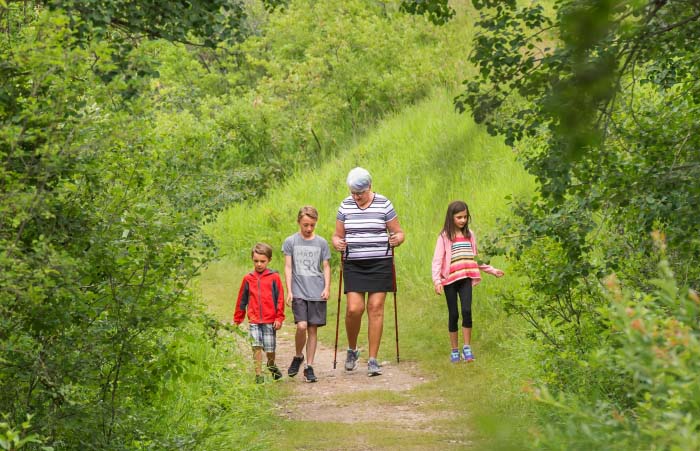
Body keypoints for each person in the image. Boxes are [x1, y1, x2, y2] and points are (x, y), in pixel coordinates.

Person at [331, 167, 405, 377]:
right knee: (354, 309)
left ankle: (373, 359)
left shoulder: (384, 204)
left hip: (380, 262)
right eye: (354, 193)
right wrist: (337, 243)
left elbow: (399, 232)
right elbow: (336, 235)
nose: (356, 197)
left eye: (360, 193)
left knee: (376, 307)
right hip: (354, 264)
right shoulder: (345, 206)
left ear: (369, 187)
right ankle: (352, 350)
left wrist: (396, 239)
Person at [431, 200, 504, 363]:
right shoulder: (444, 237)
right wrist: (437, 281)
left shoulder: (469, 235)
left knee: (466, 311)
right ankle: (454, 350)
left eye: (465, 217)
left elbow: (475, 258)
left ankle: (467, 347)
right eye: (459, 217)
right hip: (449, 280)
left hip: (466, 278)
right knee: (454, 314)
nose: (463, 220)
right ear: (451, 218)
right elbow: (437, 261)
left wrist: (492, 270)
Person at [283, 206, 331, 383]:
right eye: (305, 225)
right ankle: (298, 355)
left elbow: (326, 266)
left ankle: (309, 366)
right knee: (301, 325)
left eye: (312, 225)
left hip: (316, 291)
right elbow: (288, 267)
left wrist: (327, 287)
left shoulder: (322, 243)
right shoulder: (291, 242)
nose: (308, 228)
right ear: (299, 223)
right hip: (299, 291)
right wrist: (289, 290)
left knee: (312, 329)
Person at [233, 242, 285, 383]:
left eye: (263, 261)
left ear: (269, 260)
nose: (259, 264)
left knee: (269, 349)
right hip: (254, 320)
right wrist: (237, 319)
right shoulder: (248, 279)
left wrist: (279, 318)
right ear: (252, 260)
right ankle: (258, 375)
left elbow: (280, 298)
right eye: (256, 261)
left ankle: (271, 364)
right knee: (256, 346)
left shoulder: (274, 278)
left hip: (270, 320)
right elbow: (241, 300)